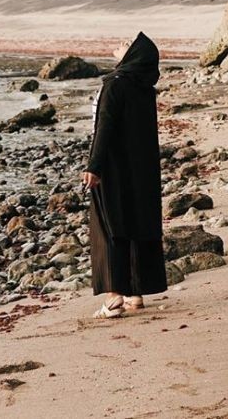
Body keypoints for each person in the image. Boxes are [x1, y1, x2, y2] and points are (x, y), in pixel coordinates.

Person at [82, 31, 167, 318]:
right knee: (136, 225)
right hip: (142, 169)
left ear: (133, 56)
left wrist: (94, 166)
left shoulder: (114, 85)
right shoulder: (144, 88)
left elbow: (103, 128)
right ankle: (135, 292)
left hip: (114, 168)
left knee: (109, 227)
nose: (120, 45)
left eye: (127, 45)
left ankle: (114, 296)